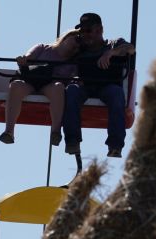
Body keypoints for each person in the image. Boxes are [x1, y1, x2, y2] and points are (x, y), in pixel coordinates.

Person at [61, 12, 136, 157]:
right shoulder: (79, 50)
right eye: (82, 31)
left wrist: (110, 53)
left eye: (88, 30)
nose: (85, 34)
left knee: (116, 93)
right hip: (86, 87)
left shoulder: (114, 44)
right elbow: (61, 59)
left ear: (100, 30)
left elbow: (130, 48)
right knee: (71, 90)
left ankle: (115, 145)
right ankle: (72, 141)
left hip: (107, 87)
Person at [0, 30, 80, 146]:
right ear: (67, 37)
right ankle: (9, 131)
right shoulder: (42, 48)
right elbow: (27, 58)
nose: (77, 45)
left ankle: (56, 132)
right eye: (77, 40)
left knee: (59, 87)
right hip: (31, 81)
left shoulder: (72, 63)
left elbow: (74, 78)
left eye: (80, 45)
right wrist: (23, 60)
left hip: (50, 85)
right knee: (16, 85)